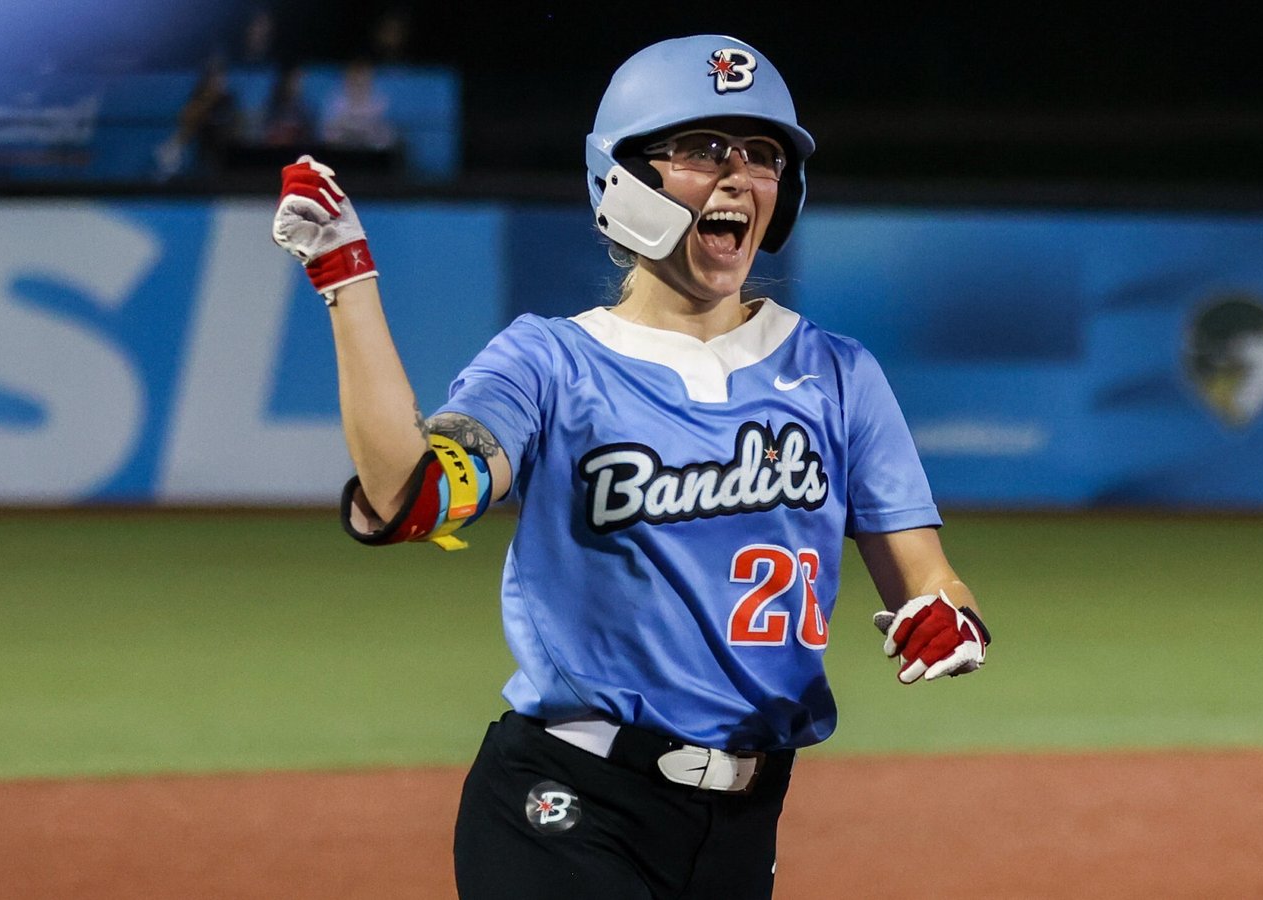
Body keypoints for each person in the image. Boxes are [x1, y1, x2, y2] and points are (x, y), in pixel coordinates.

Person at [271, 34, 991, 900]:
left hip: (741, 825)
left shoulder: (839, 375)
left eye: (762, 154)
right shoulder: (548, 363)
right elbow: (413, 496)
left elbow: (929, 582)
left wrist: (948, 621)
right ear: (623, 178)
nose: (738, 176)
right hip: (567, 804)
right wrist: (347, 279)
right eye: (702, 148)